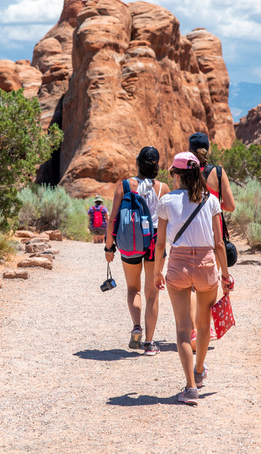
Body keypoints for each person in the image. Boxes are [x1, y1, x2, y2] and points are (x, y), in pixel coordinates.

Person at [153, 152, 232, 406]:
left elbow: (161, 243)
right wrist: (226, 276)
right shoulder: (211, 201)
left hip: (178, 265)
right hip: (207, 265)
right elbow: (219, 243)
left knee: (182, 329)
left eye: (173, 174)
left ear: (177, 176)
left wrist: (157, 272)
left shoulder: (166, 201)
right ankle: (199, 372)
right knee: (203, 322)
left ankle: (190, 388)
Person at [104, 146, 170, 356]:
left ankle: (136, 327)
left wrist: (109, 247)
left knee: (134, 289)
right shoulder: (163, 189)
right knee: (152, 294)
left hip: (130, 242)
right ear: (156, 165)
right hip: (154, 245)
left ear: (137, 162)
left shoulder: (124, 186)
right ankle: (150, 344)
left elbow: (112, 219)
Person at [187, 132, 236, 351]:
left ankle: (194, 331)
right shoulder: (218, 172)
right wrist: (214, 205)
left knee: (189, 287)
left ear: (190, 149)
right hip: (213, 231)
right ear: (208, 148)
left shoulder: (185, 171)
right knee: (208, 283)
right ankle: (205, 329)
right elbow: (230, 205)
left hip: (188, 232)